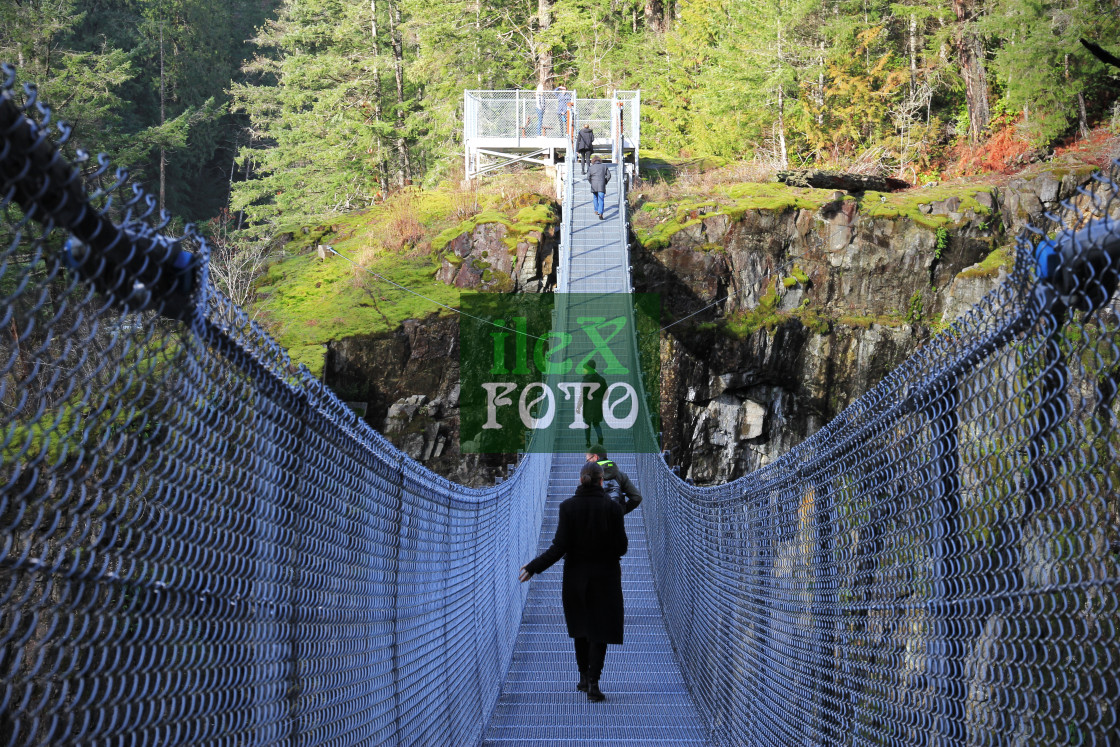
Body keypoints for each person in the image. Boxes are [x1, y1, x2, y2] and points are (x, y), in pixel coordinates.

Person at [519, 461, 627, 702]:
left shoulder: (567, 507)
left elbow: (559, 548)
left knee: (581, 627)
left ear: (581, 480)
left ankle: (583, 677)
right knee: (599, 630)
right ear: (602, 481)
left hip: (575, 578)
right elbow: (623, 547)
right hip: (606, 577)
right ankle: (594, 682)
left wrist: (533, 567)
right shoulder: (613, 508)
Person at [586, 444, 642, 515]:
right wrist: (621, 511)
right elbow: (637, 497)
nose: (587, 464)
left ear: (595, 457)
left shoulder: (587, 476)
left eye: (588, 460)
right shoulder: (620, 474)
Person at [581, 360, 606, 447]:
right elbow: (606, 392)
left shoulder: (586, 380)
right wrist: (601, 399)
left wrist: (581, 404)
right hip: (598, 403)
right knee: (596, 423)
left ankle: (588, 441)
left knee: (587, 423)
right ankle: (600, 437)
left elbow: (583, 393)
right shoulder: (601, 379)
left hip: (588, 403)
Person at [586, 155, 611, 219]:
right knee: (601, 199)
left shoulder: (591, 168)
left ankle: (596, 210)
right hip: (601, 185)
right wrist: (605, 182)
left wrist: (591, 182)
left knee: (595, 198)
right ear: (600, 160)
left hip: (594, 185)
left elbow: (588, 177)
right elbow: (609, 175)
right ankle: (601, 213)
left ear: (593, 161)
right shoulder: (604, 166)